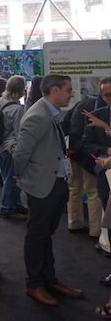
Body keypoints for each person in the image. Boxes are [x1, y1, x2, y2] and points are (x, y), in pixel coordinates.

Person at [14, 74, 83, 306]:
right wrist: (24, 178)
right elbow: (21, 154)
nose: (72, 93)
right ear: (55, 90)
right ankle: (34, 283)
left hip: (54, 184)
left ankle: (49, 279)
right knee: (37, 236)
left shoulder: (49, 113)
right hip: (43, 186)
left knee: (45, 235)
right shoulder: (38, 116)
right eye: (68, 89)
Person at [66, 80, 109, 238]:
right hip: (87, 155)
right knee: (93, 192)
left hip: (73, 152)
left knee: (75, 189)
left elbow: (66, 123)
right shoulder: (97, 109)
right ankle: (95, 230)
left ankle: (74, 223)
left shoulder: (82, 103)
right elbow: (89, 139)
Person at [0, 75, 29, 220]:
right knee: (12, 179)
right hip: (10, 148)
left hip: (0, 146)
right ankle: (7, 208)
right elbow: (18, 132)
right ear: (21, 90)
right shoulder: (17, 109)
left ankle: (15, 204)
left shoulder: (0, 102)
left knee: (7, 176)